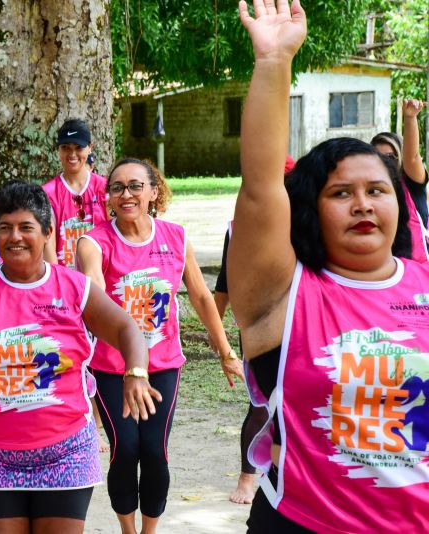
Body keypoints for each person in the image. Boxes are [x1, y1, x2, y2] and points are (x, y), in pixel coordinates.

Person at [233, 1, 427, 531]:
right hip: (301, 521)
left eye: (377, 190)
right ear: (310, 210)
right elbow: (259, 188)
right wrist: (274, 62)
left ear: (398, 203)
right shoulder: (283, 292)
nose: (363, 204)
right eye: (341, 192)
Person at [0, 181, 162, 533]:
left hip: (66, 452)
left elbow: (127, 328)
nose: (14, 236)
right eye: (4, 228)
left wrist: (137, 372)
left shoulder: (73, 287)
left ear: (48, 232)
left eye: (25, 227)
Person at [76, 158, 243, 533]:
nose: (126, 194)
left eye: (136, 185)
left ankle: (149, 531)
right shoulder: (94, 242)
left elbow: (201, 297)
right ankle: (127, 529)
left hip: (163, 364)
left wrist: (226, 352)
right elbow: (92, 287)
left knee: (154, 452)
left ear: (154, 191)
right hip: (112, 368)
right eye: (117, 187)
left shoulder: (175, 237)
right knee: (125, 450)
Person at [214, 155, 296, 505]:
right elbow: (224, 284)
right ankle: (247, 479)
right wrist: (216, 333)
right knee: (262, 402)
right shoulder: (239, 227)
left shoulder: (309, 224)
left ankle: (288, 471)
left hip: (305, 323)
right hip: (262, 327)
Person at [43, 118, 109, 269]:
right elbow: (48, 244)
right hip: (66, 278)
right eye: (66, 147)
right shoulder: (47, 193)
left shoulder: (104, 188)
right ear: (58, 149)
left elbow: (116, 235)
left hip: (101, 276)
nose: (72, 154)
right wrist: (57, 282)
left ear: (89, 148)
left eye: (78, 147)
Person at [371, 99, 428, 262]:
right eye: (378, 157)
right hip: (388, 270)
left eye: (390, 156)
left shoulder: (412, 182)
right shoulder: (369, 192)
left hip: (419, 269)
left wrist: (409, 118)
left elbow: (412, 158)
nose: (385, 162)